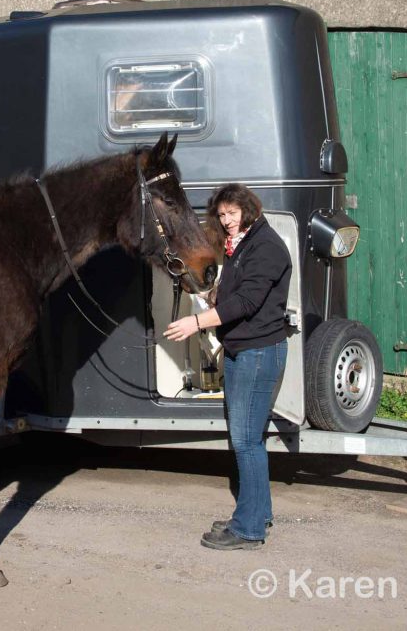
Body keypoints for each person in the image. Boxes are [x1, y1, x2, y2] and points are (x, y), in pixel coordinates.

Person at [163, 183, 291, 550]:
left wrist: (197, 323)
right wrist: (207, 297)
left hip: (258, 353)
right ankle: (257, 512)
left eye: (232, 213)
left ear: (248, 209)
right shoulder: (242, 246)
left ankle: (248, 529)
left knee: (246, 441)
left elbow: (249, 302)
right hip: (244, 351)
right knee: (250, 439)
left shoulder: (265, 247)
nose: (226, 221)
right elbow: (234, 293)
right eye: (221, 215)